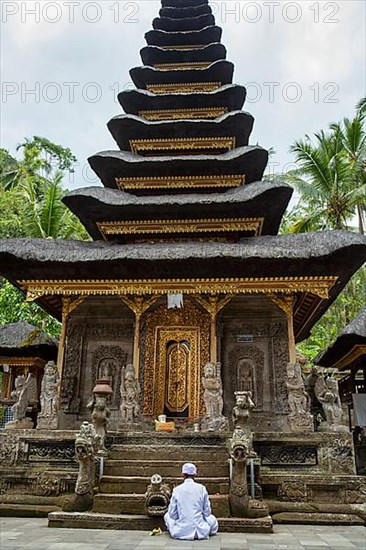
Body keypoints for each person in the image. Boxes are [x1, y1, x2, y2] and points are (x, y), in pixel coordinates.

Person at [164, 462, 218, 540]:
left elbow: (172, 514)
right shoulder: (202, 488)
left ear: (183, 474)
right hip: (200, 531)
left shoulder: (177, 490)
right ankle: (208, 530)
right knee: (212, 519)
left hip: (181, 532)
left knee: (167, 516)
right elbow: (207, 513)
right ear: (195, 475)